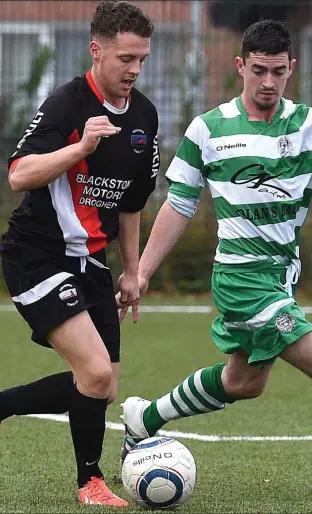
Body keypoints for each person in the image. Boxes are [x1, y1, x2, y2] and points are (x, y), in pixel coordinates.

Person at [0, 0, 159, 506]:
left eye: (142, 59)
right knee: (93, 375)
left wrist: (133, 271)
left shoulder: (144, 116)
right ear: (96, 51)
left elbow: (133, 203)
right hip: (38, 254)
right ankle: (89, 483)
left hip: (92, 263)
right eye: (125, 59)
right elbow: (18, 175)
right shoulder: (66, 105)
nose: (134, 70)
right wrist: (78, 149)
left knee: (103, 385)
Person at [119, 19, 312, 461]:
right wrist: (140, 274)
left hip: (281, 278)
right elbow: (179, 205)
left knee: (243, 383)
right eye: (259, 70)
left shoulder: (306, 127)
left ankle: (144, 419)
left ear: (291, 69)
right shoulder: (208, 130)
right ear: (240, 65)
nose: (268, 81)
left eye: (278, 72)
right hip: (241, 280)